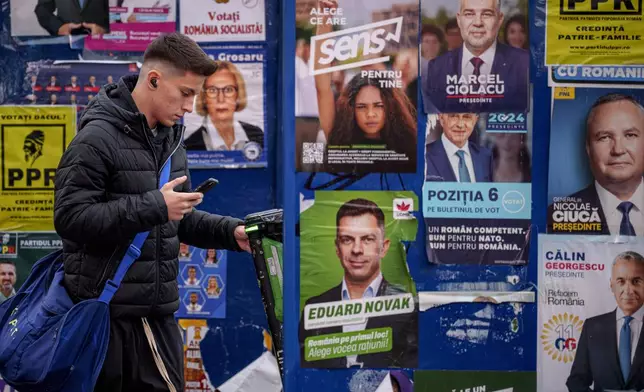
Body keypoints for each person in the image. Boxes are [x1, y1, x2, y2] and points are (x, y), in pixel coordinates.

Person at [53, 32, 251, 392]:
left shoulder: (172, 139)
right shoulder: (97, 137)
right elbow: (70, 218)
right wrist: (154, 206)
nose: (190, 107)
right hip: (104, 319)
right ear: (154, 80)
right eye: (186, 93)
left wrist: (231, 233)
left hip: (155, 317)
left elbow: (178, 217)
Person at [298, 198, 418, 369]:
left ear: (383, 247)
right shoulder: (315, 307)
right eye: (347, 239)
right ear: (337, 248)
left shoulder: (408, 307)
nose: (356, 249)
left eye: (367, 239)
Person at [312, 0, 417, 173]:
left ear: (390, 107)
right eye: (361, 107)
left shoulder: (407, 144)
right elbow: (322, 86)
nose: (370, 114)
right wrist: (324, 19)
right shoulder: (338, 135)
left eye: (378, 106)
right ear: (351, 109)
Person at [548, 93, 644, 236]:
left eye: (630, 135)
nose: (618, 150)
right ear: (588, 148)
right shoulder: (554, 217)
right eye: (604, 137)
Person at [421, 0, 529, 114]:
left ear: (499, 19)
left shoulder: (524, 64)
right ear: (459, 19)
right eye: (469, 14)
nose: (478, 22)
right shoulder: (436, 68)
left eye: (487, 14)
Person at [567, 251, 644, 391]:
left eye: (636, 281)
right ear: (611, 285)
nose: (628, 290)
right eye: (621, 281)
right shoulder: (592, 327)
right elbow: (576, 380)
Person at [184, 61, 264, 151]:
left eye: (228, 89)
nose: (221, 99)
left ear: (238, 95)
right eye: (212, 90)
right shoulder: (190, 146)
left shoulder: (257, 135)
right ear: (203, 97)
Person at [425, 113, 493, 182]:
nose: (460, 125)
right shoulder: (423, 156)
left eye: (467, 117)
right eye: (453, 116)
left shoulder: (487, 157)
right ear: (442, 119)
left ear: (475, 120)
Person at [34, 0, 109, 36]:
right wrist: (58, 27)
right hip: (65, 44)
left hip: (103, 46)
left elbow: (118, 9)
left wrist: (106, 30)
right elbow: (42, 9)